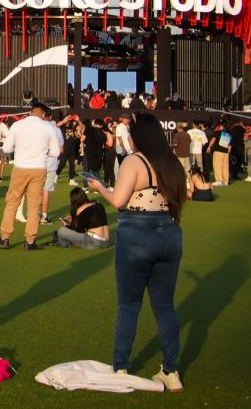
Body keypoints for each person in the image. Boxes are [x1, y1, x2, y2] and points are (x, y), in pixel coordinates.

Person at [86, 113, 188, 392]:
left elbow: (119, 201)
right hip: (169, 234)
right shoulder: (172, 163)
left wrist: (99, 188)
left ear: (137, 137)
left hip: (137, 233)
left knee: (129, 305)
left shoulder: (134, 161)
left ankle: (120, 367)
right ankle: (171, 370)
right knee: (165, 306)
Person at [0, 103, 61, 250]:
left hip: (20, 167)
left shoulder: (18, 125)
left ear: (30, 112)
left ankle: (5, 238)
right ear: (43, 115)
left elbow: (6, 148)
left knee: (12, 202)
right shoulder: (49, 128)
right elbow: (56, 152)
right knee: (33, 206)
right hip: (38, 169)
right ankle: (30, 241)